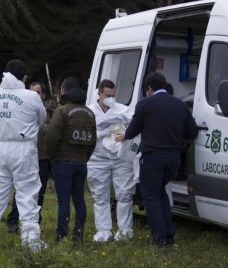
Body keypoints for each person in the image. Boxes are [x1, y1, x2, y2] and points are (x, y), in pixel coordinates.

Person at [116, 72, 198, 247]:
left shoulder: (145, 104)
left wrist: (124, 136)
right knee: (161, 194)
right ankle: (168, 234)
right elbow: (192, 132)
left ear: (149, 88)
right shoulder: (180, 105)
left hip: (152, 157)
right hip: (173, 158)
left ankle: (159, 238)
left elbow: (132, 131)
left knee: (151, 197)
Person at [0, 59, 47, 251]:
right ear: (24, 77)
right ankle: (32, 244)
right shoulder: (32, 96)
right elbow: (41, 119)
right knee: (27, 195)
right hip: (22, 149)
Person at [46, 77, 96, 243]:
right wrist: (84, 158)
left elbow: (52, 137)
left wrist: (53, 158)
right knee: (80, 201)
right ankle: (78, 235)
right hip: (81, 163)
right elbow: (93, 141)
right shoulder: (90, 113)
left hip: (63, 162)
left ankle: (61, 237)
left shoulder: (62, 111)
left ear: (64, 91)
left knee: (63, 202)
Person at [87, 79, 135, 242]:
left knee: (124, 194)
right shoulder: (89, 111)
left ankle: (125, 230)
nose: (111, 98)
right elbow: (86, 134)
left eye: (113, 95)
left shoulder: (123, 110)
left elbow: (135, 126)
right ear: (99, 93)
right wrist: (103, 132)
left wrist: (125, 132)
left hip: (120, 159)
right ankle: (103, 230)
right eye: (108, 95)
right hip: (97, 159)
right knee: (100, 195)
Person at [6, 82, 56, 233]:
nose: (35, 95)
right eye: (32, 92)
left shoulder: (51, 114)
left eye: (38, 92)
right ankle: (13, 221)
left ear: (43, 95)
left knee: (39, 192)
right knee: (21, 189)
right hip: (25, 156)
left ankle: (35, 221)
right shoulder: (21, 110)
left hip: (43, 158)